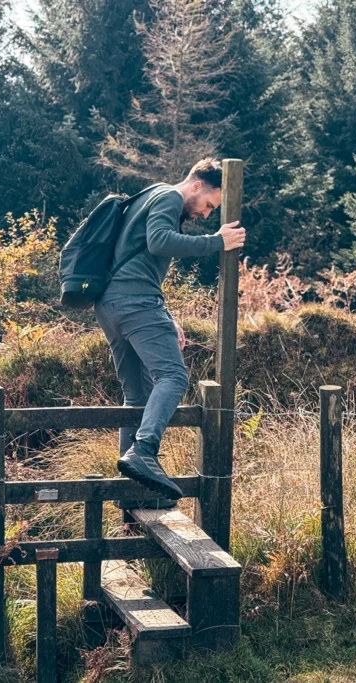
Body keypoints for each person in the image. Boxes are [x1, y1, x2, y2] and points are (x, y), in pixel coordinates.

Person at [95, 158, 246, 509]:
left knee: (137, 395)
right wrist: (217, 242)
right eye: (210, 205)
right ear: (196, 185)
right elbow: (160, 242)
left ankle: (133, 491)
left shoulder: (148, 198)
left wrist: (165, 315)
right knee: (173, 377)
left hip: (111, 305)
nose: (208, 215)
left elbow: (138, 258)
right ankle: (144, 451)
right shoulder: (168, 198)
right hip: (135, 304)